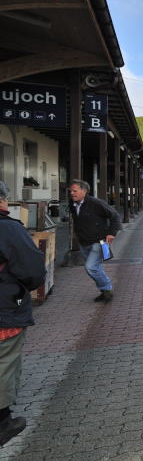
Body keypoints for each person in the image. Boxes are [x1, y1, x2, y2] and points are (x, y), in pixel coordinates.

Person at [0, 181, 46, 445]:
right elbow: (32, 270)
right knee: (4, 360)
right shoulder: (8, 229)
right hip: (4, 309)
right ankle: (2, 421)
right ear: (3, 201)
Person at [68, 179, 121, 303]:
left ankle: (107, 289)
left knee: (90, 267)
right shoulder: (73, 204)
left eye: (75, 191)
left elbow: (115, 216)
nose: (72, 193)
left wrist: (112, 233)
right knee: (94, 267)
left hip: (99, 241)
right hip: (84, 242)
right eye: (71, 191)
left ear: (84, 191)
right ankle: (104, 291)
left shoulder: (96, 203)